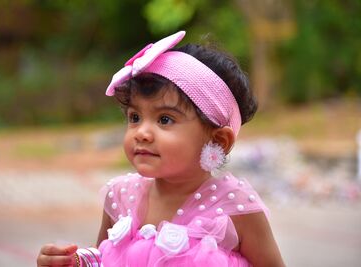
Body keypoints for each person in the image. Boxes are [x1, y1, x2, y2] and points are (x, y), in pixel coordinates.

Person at [37, 31, 285, 267]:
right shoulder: (121, 197)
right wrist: (74, 261)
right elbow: (104, 258)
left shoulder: (233, 209)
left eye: (164, 119)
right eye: (134, 117)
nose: (142, 133)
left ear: (218, 140)